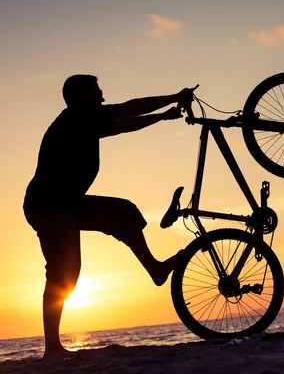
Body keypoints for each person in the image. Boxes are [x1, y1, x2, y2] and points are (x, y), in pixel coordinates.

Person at [23, 74, 191, 359]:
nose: (102, 95)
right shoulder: (77, 117)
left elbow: (126, 117)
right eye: (96, 91)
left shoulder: (86, 117)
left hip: (67, 204)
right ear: (81, 96)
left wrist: (166, 111)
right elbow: (128, 111)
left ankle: (155, 269)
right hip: (48, 206)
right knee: (64, 271)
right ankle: (52, 347)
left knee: (122, 212)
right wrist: (171, 102)